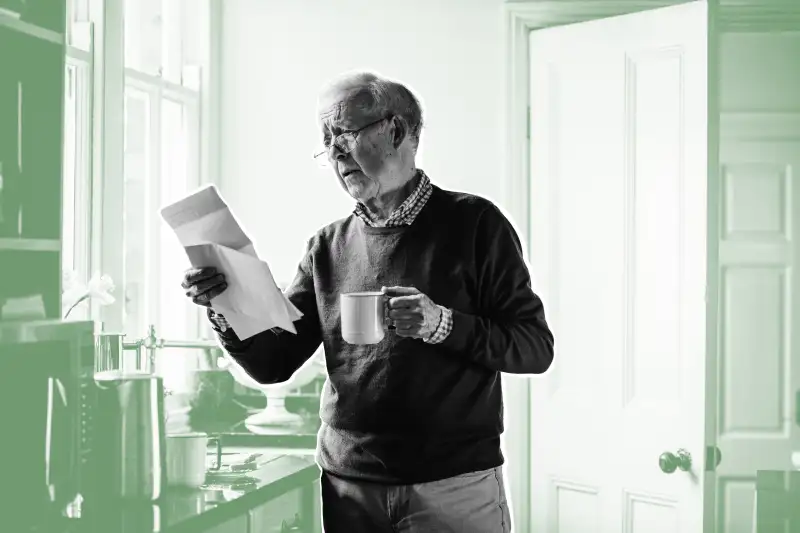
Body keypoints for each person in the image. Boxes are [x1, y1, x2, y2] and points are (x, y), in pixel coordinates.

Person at [181, 71, 554, 533]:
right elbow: (272, 363)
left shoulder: (476, 223)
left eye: (344, 134)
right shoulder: (326, 246)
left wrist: (441, 324)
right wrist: (224, 304)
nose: (335, 153)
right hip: (348, 488)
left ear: (395, 131)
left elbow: (534, 347)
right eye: (326, 141)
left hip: (453, 486)